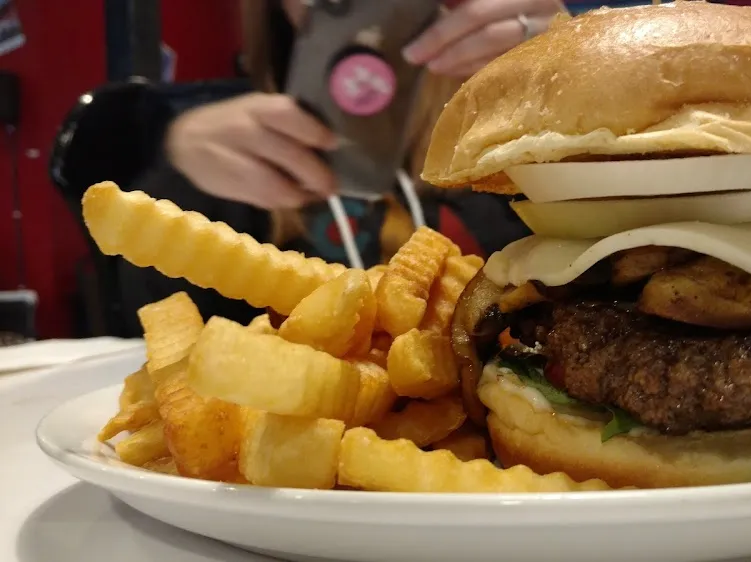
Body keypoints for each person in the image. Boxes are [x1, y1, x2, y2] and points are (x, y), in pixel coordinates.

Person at [117, 0, 566, 336]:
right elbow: (155, 334)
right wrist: (179, 174)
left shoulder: (519, 104)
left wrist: (566, 72)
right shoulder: (232, 149)